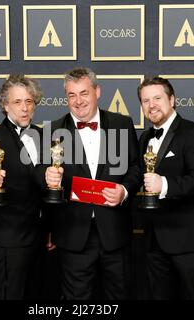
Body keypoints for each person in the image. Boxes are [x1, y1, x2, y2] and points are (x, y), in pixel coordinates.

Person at [43, 67, 140, 299]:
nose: (78, 101)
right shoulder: (51, 130)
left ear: (97, 91)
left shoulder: (122, 123)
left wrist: (124, 191)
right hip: (73, 234)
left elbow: (136, 167)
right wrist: (46, 176)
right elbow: (41, 175)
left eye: (84, 93)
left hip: (115, 232)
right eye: (71, 95)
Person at [137, 77, 194, 299]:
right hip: (154, 240)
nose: (152, 105)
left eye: (157, 98)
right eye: (145, 100)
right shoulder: (144, 138)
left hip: (188, 238)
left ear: (172, 99)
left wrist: (165, 184)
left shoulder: (193, 133)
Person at [0, 74, 50, 299]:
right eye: (17, 102)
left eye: (29, 101)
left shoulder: (43, 135)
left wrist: (50, 228)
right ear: (5, 105)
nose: (24, 108)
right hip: (10, 239)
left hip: (41, 237)